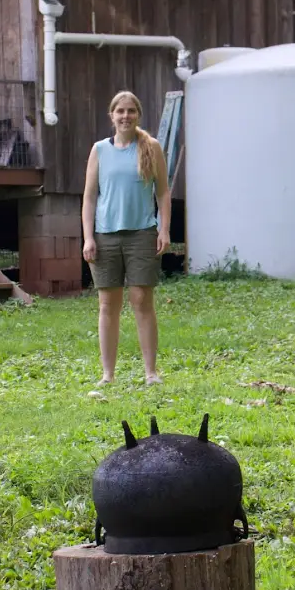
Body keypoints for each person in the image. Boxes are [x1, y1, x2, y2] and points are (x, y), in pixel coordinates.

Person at [82, 90, 171, 385]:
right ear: (112, 115)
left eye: (131, 111)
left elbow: (163, 192)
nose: (125, 116)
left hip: (142, 235)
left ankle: (150, 373)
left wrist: (164, 228)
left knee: (141, 299)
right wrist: (88, 237)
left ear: (138, 115)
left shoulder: (151, 147)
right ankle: (108, 375)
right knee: (108, 304)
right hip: (105, 235)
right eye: (120, 111)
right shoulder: (100, 150)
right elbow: (90, 197)